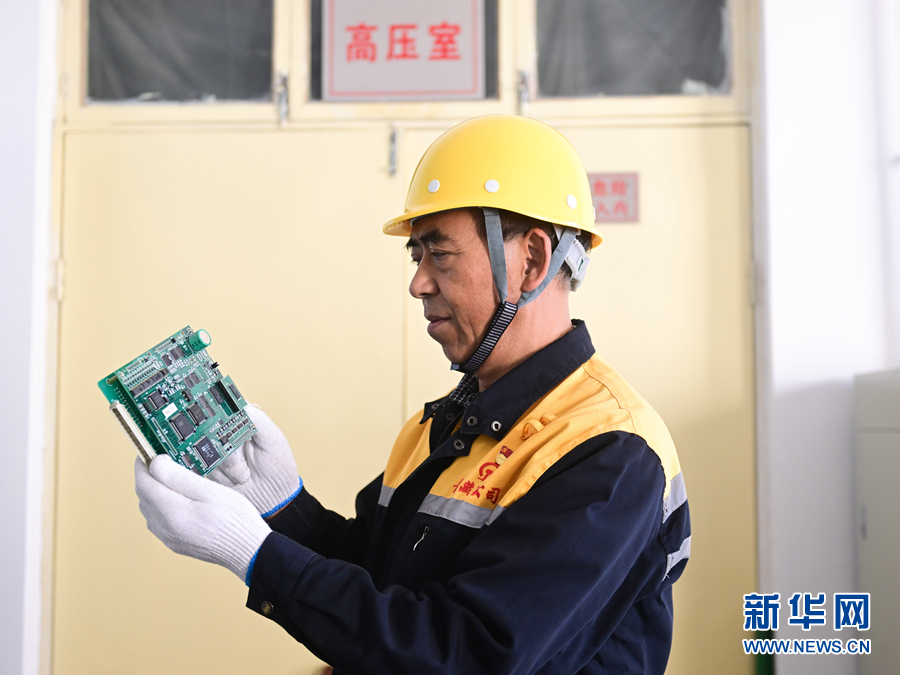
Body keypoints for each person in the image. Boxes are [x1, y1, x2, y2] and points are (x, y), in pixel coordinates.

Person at [134, 115, 691, 675]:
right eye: (416, 256)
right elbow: (378, 582)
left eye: (439, 254)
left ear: (532, 261)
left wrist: (254, 555)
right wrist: (280, 507)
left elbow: (469, 653)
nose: (418, 282)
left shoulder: (610, 451)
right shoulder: (441, 427)